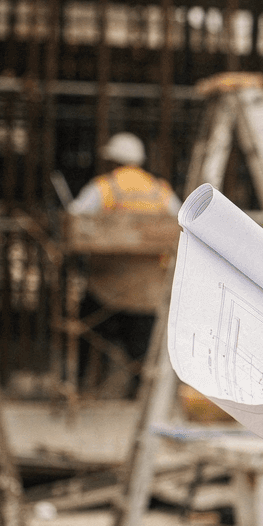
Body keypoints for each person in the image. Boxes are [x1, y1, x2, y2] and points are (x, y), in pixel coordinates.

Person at [69, 133, 180, 385]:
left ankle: (84, 383)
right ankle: (138, 388)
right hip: (149, 288)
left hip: (107, 284)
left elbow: (76, 220)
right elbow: (179, 222)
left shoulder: (104, 187)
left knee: (88, 330)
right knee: (142, 343)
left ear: (112, 161)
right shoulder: (160, 191)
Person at [69, 132, 181, 216]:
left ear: (113, 161)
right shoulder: (159, 188)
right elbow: (180, 216)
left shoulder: (104, 186)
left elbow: (74, 213)